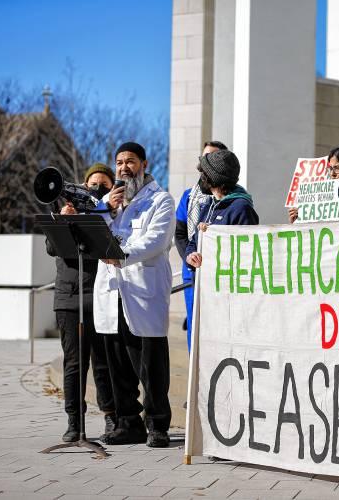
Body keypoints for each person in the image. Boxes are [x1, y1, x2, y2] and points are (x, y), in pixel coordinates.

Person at [93, 142, 175, 448]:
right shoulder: (107, 202)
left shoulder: (161, 200)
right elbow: (91, 235)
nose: (123, 167)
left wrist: (121, 254)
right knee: (118, 366)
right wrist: (106, 210)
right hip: (112, 292)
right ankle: (128, 423)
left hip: (143, 293)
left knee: (150, 366)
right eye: (118, 162)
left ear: (144, 164)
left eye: (130, 162)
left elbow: (156, 240)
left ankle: (157, 425)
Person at [46, 163, 116, 443]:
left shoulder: (111, 215)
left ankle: (110, 416)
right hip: (69, 297)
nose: (97, 188)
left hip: (101, 296)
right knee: (74, 363)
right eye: (92, 184)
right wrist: (64, 221)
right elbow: (54, 248)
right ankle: (74, 420)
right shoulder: (65, 210)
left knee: (103, 364)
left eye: (104, 185)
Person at [174, 140, 227, 351]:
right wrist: (190, 257)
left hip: (220, 276)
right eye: (203, 157)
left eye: (212, 158)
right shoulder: (189, 196)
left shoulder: (233, 199)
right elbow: (179, 233)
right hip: (192, 273)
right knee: (195, 333)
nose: (205, 162)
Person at [185, 150, 259, 268]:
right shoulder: (209, 204)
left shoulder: (241, 208)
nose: (200, 178)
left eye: (203, 174)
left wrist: (213, 233)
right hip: (203, 284)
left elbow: (247, 253)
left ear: (212, 178)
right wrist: (191, 257)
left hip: (225, 284)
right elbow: (193, 242)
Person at [288, 145, 339, 222]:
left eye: (338, 167)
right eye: (330, 168)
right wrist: (299, 222)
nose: (332, 174)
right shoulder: (322, 201)